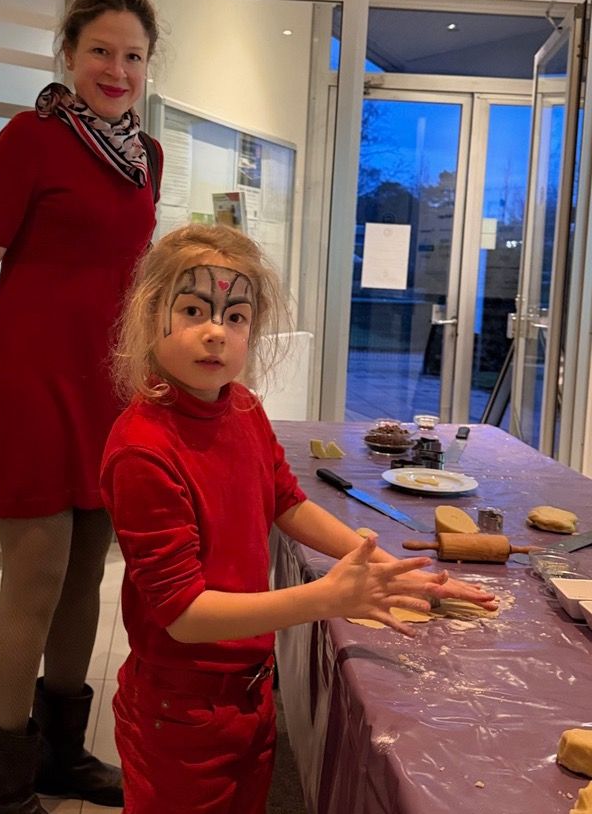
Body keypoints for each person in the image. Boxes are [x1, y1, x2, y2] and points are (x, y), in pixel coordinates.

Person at [100, 223, 496, 814]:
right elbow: (183, 615)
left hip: (250, 691)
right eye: (192, 310)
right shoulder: (143, 450)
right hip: (178, 713)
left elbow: (287, 502)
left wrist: (394, 572)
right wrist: (326, 598)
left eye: (236, 317)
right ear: (148, 312)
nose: (216, 331)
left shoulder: (242, 408)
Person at [0, 0, 162, 814]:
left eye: (133, 55)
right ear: (69, 54)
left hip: (113, 394)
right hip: (30, 390)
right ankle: (5, 784)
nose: (117, 70)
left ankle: (63, 755)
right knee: (33, 581)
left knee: (85, 580)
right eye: (100, 51)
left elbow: (132, 285)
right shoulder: (29, 139)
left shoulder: (147, 157)